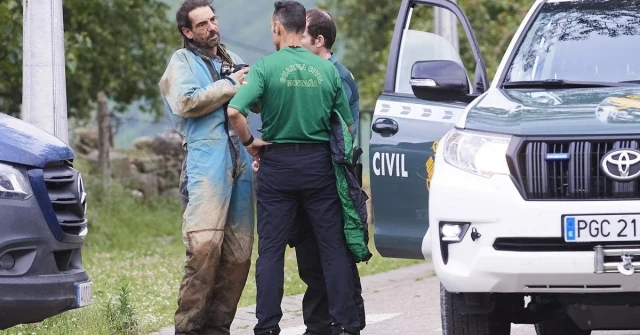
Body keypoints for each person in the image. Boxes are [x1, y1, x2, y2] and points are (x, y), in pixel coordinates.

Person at [226, 1, 365, 334]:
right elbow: (346, 127)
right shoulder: (328, 70)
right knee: (332, 249)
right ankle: (346, 325)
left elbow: (234, 112)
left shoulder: (264, 68)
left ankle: (267, 327)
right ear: (304, 28)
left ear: (277, 26)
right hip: (319, 167)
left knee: (271, 252)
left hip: (277, 167)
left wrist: (250, 143)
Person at [157, 1, 254, 334]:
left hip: (240, 160)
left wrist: (254, 84)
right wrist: (231, 85)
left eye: (213, 20)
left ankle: (218, 328)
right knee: (204, 250)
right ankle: (189, 328)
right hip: (205, 161)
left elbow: (254, 99)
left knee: (239, 255)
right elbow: (185, 101)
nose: (212, 27)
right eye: (202, 24)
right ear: (188, 32)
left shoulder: (232, 58)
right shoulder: (181, 61)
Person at [289, 8, 365, 335]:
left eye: (301, 35)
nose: (295, 41)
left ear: (319, 41)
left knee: (337, 255)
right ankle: (317, 325)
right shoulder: (304, 73)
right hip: (305, 175)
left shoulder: (338, 77)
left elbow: (336, 131)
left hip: (332, 176)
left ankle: (347, 324)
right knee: (309, 257)